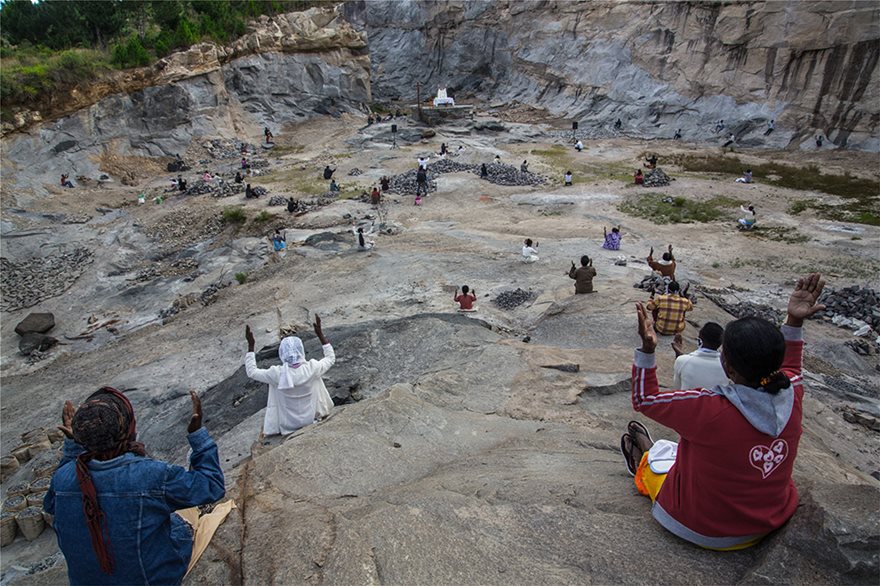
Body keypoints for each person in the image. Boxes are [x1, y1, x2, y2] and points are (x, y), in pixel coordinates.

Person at [621, 274, 825, 550]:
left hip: (702, 527)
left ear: (728, 367)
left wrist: (647, 350)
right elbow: (792, 369)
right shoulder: (793, 393)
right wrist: (794, 321)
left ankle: (642, 458)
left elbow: (645, 399)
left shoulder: (711, 409)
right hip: (769, 522)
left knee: (659, 466)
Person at [45, 387, 226, 584]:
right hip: (150, 580)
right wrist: (198, 435)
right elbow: (212, 485)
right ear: (128, 427)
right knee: (177, 524)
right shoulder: (153, 475)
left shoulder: (63, 477)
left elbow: (51, 506)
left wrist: (72, 449)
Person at [245, 320, 335, 436]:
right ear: (301, 351)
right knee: (317, 379)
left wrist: (251, 346)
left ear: (282, 353)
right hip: (310, 420)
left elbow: (252, 372)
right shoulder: (312, 368)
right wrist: (320, 335)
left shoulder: (277, 374)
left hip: (287, 426)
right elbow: (330, 358)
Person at [671, 322, 729, 389]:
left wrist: (680, 357)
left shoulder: (683, 360)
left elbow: (677, 389)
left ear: (700, 340)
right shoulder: (726, 366)